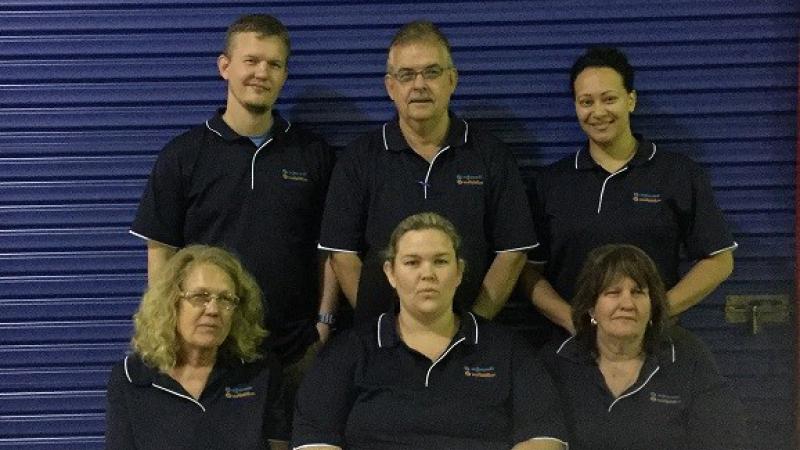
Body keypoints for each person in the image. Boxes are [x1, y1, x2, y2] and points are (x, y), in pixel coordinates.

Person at [129, 14, 338, 367]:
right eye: (251, 61)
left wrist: (324, 323)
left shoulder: (312, 154)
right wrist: (169, 332)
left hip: (293, 352)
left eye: (274, 64)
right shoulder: (184, 155)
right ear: (224, 66)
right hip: (209, 353)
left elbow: (330, 251)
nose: (262, 73)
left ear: (284, 76)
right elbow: (161, 254)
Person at [319, 20, 536, 325]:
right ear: (390, 87)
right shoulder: (359, 159)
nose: (419, 85)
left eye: (431, 72)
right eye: (406, 75)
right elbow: (342, 255)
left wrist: (472, 327)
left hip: (469, 344)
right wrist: (381, 327)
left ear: (452, 80)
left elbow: (512, 253)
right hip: (383, 347)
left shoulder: (490, 155)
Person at [293, 212, 567, 450]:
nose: (428, 274)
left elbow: (543, 437)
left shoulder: (507, 349)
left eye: (440, 261)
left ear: (459, 272)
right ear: (390, 273)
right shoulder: (347, 352)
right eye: (412, 262)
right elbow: (315, 440)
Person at [522, 46, 736, 335]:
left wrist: (656, 312)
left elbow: (719, 260)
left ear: (631, 100)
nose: (598, 112)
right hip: (572, 350)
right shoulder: (551, 183)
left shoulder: (678, 174)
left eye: (609, 99)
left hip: (654, 346)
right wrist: (571, 320)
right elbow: (526, 271)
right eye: (586, 102)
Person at [541, 244, 747, 450]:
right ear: (591, 308)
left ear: (653, 306)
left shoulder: (686, 354)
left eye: (638, 292)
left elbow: (725, 438)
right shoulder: (557, 361)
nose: (627, 304)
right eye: (613, 292)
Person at [105, 245, 288, 449]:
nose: (213, 310)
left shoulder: (259, 372)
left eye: (226, 299)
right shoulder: (132, 378)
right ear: (172, 302)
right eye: (200, 297)